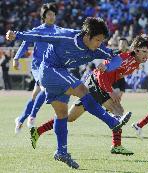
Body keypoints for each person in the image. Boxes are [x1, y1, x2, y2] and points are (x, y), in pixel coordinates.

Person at [6, 17, 132, 169]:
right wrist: (17, 35)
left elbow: (116, 58)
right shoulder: (66, 36)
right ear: (87, 35)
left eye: (101, 40)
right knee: (82, 90)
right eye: (98, 40)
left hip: (60, 74)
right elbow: (40, 36)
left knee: (62, 115)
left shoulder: (96, 49)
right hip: (49, 70)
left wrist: (109, 66)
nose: (100, 44)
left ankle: (61, 151)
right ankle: (112, 122)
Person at [29, 35, 148, 156]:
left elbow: (115, 74)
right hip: (96, 82)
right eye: (144, 51)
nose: (147, 55)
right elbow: (102, 73)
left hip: (97, 84)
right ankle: (116, 146)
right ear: (136, 50)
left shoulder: (136, 63)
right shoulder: (124, 57)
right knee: (118, 111)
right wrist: (110, 90)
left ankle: (38, 131)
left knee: (70, 117)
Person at [14, 3, 59, 134]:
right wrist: (16, 58)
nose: (52, 16)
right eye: (49, 14)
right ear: (44, 17)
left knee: (35, 95)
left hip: (51, 66)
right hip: (38, 66)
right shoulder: (38, 30)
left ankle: (21, 119)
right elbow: (25, 42)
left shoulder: (58, 31)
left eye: (53, 14)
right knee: (45, 88)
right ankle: (32, 117)